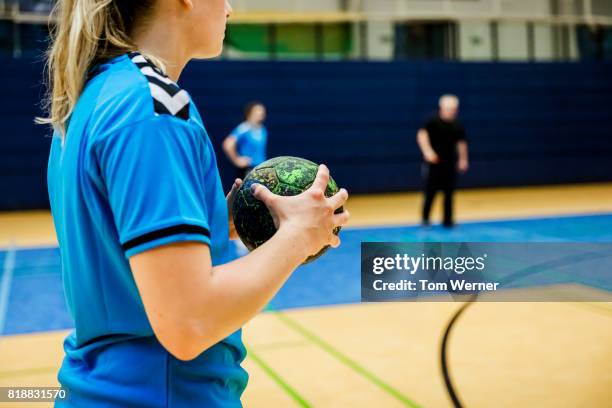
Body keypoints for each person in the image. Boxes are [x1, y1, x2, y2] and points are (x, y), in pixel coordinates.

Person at [40, 0, 349, 407]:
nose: (231, 8)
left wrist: (211, 225)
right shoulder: (153, 106)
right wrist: (299, 235)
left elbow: (120, 265)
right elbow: (188, 322)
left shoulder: (93, 96)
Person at [416, 95, 469, 228]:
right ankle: (425, 219)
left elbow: (461, 143)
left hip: (450, 163)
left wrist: (463, 159)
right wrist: (428, 151)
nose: (452, 111)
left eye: (454, 109)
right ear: (442, 108)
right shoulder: (432, 121)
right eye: (449, 109)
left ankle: (448, 220)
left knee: (449, 193)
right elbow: (421, 135)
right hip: (434, 164)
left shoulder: (457, 125)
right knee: (430, 192)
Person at [223, 102, 268, 178]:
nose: (261, 113)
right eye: (258, 110)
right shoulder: (244, 128)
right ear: (249, 113)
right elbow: (228, 143)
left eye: (262, 110)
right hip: (248, 170)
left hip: (260, 169)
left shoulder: (263, 129)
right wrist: (236, 160)